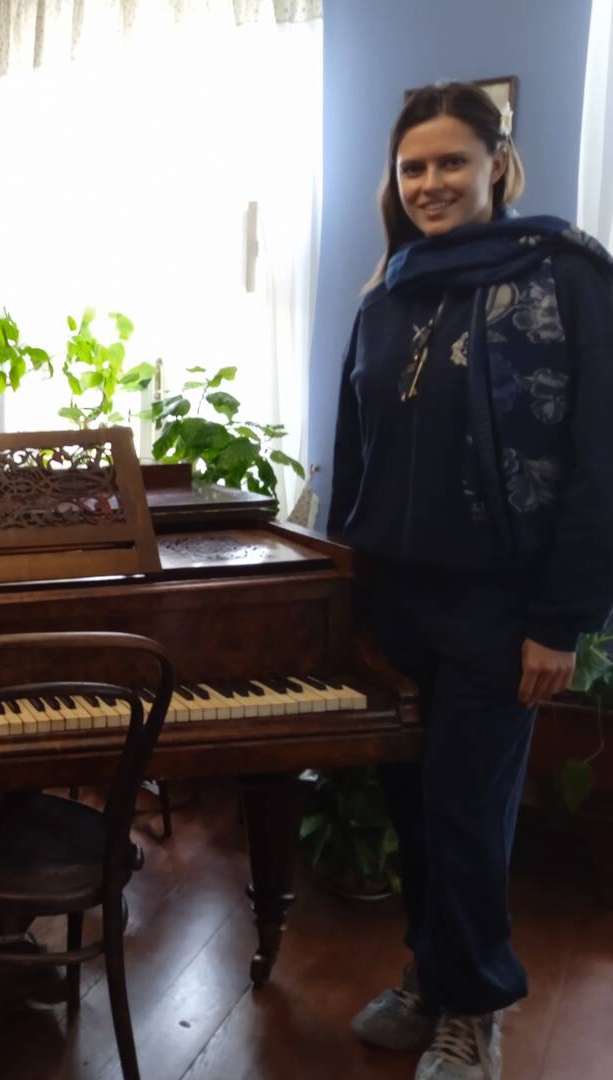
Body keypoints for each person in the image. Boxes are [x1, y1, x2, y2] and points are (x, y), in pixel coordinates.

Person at [330, 82, 613, 1080]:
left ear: (499, 165)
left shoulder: (566, 274)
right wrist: (346, 600)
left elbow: (600, 457)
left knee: (467, 813)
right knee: (410, 806)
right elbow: (354, 453)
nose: (431, 182)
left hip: (502, 608)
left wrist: (563, 618)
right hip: (397, 603)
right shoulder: (388, 292)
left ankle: (476, 1006)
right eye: (413, 167)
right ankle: (430, 974)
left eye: (452, 161)